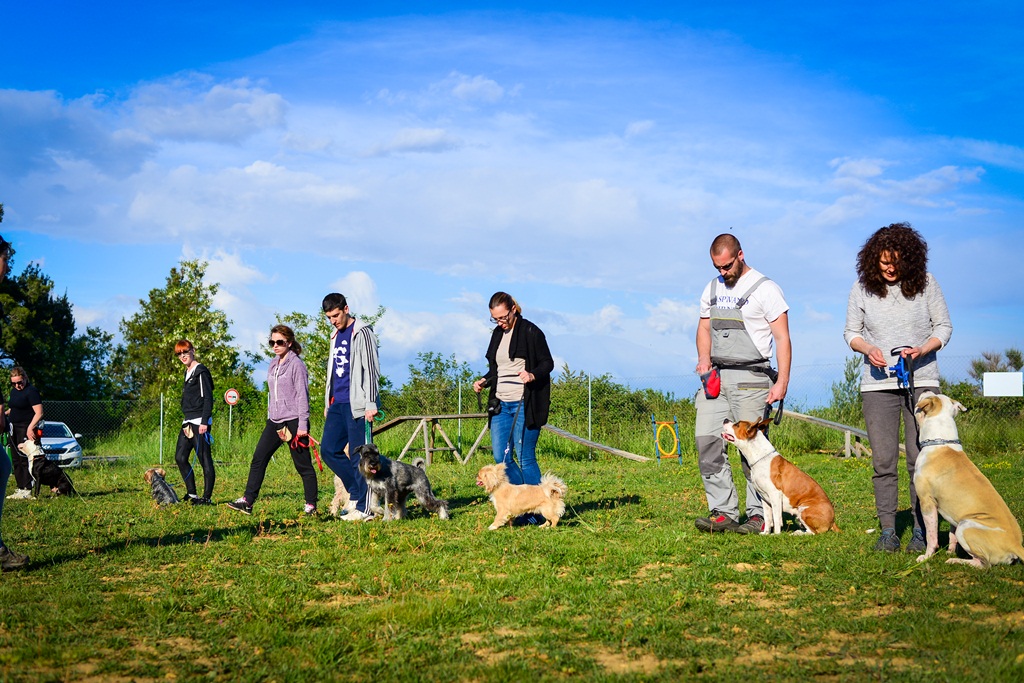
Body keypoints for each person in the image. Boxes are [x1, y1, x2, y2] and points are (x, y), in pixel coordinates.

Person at [844, 222, 952, 553]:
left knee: (921, 461)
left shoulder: (927, 284)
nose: (890, 269)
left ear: (909, 259)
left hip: (922, 383)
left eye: (896, 263)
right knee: (883, 461)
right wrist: (868, 349)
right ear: (873, 261)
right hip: (877, 387)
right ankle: (888, 531)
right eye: (884, 263)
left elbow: (944, 327)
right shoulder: (861, 288)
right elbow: (851, 333)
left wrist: (922, 350)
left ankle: (922, 532)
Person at [693, 234, 791, 534]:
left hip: (753, 379)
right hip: (717, 379)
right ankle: (723, 512)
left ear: (740, 255)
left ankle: (759, 515)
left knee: (753, 450)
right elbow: (704, 328)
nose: (723, 273)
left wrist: (782, 381)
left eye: (727, 266)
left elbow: (782, 337)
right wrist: (704, 358)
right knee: (707, 442)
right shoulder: (711, 288)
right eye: (717, 268)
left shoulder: (766, 288)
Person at [226, 325, 318, 516]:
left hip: (294, 421)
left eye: (279, 342)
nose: (275, 345)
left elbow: (303, 395)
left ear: (289, 343)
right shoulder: (273, 363)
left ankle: (311, 505)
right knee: (259, 458)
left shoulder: (297, 365)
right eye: (272, 342)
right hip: (275, 420)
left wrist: (303, 424)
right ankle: (248, 501)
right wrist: (271, 413)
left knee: (303, 465)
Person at [472, 292, 554, 487]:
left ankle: (536, 502)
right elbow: (497, 369)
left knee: (525, 457)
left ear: (513, 310)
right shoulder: (497, 334)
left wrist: (532, 375)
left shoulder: (531, 331)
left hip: (524, 404)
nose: (500, 322)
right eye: (495, 319)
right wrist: (484, 381)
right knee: (501, 458)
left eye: (503, 317)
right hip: (500, 405)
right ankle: (520, 499)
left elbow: (547, 363)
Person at [320, 293, 380, 522]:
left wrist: (371, 402)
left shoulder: (362, 332)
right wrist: (328, 401)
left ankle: (365, 509)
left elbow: (371, 369)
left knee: (359, 457)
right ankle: (355, 492)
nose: (333, 321)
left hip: (359, 404)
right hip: (337, 402)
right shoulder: (334, 335)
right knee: (329, 450)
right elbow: (333, 370)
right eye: (329, 317)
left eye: (336, 315)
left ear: (346, 309)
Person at [0, 235, 29, 570]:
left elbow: (37, 410)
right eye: (6, 258)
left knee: (3, 465)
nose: (8, 266)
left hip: (22, 428)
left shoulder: (29, 392)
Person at [173, 339, 215, 505]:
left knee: (205, 460)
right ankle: (192, 493)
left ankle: (207, 497)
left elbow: (208, 398)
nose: (183, 356)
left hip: (199, 421)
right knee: (180, 457)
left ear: (193, 351)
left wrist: (204, 422)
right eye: (179, 354)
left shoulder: (201, 371)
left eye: (185, 352)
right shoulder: (187, 372)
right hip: (188, 420)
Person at [5, 367, 44, 501]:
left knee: (24, 458)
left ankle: (27, 488)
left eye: (20, 382)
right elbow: (14, 407)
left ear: (25, 378)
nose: (17, 386)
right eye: (14, 383)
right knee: (16, 458)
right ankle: (20, 487)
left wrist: (30, 428)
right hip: (13, 427)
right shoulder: (14, 391)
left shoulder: (31, 391)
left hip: (26, 427)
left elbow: (39, 412)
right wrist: (4, 414)